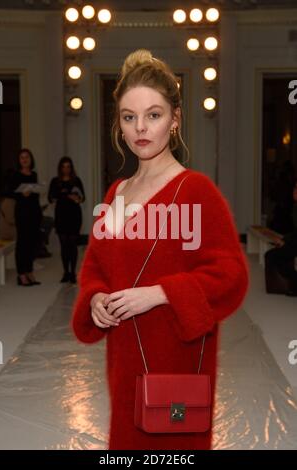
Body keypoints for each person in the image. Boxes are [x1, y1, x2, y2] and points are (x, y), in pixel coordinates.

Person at [71, 49, 249, 450]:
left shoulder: (196, 190)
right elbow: (96, 266)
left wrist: (160, 293)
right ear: (118, 124)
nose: (140, 128)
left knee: (172, 450)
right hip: (125, 359)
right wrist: (96, 297)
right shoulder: (117, 193)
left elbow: (231, 274)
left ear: (175, 119)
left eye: (153, 114)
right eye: (129, 117)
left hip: (176, 360)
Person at [48, 157, 85, 284]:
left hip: (74, 216)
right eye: (63, 166)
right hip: (61, 216)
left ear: (71, 168)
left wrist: (75, 198)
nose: (66, 169)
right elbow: (50, 198)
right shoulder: (55, 181)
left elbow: (82, 198)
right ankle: (66, 272)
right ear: (60, 168)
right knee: (64, 245)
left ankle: (73, 273)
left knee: (73, 245)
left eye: (68, 166)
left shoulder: (76, 181)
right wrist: (64, 195)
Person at [10, 149, 42, 286]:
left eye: (27, 157)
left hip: (34, 212)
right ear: (19, 160)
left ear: (31, 159)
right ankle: (21, 274)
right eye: (22, 157)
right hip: (22, 213)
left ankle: (29, 271)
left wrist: (34, 191)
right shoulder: (15, 175)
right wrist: (22, 194)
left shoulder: (34, 174)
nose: (24, 160)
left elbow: (36, 194)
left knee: (32, 242)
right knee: (22, 243)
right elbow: (10, 192)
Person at [265, 179, 297, 296]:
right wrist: (284, 240)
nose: (295, 191)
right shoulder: (294, 208)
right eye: (294, 188)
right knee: (272, 255)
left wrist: (286, 243)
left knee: (274, 256)